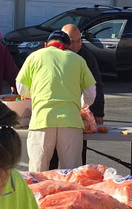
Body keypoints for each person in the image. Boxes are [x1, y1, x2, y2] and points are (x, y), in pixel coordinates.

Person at [17, 30, 97, 171]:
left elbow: (21, 88)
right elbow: (91, 92)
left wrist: (37, 94)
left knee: (38, 172)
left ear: (46, 45)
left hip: (42, 120)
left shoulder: (34, 56)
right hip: (71, 121)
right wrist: (82, 105)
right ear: (68, 46)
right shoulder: (78, 60)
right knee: (72, 173)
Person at [45, 23, 105, 170]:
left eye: (80, 40)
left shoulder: (86, 58)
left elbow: (95, 87)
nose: (77, 45)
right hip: (50, 117)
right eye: (73, 41)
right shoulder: (51, 56)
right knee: (51, 163)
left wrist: (97, 115)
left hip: (76, 118)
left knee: (75, 165)